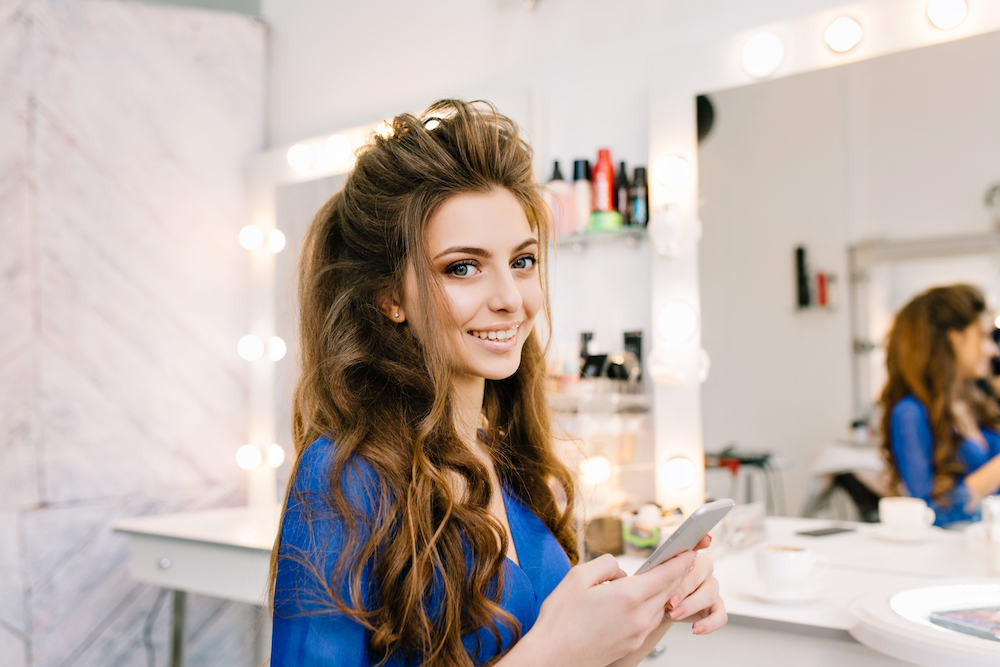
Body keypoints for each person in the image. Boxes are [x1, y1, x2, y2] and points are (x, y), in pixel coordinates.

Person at [268, 100, 726, 666]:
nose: (511, 298)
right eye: (463, 266)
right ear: (390, 297)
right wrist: (556, 652)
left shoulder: (510, 463)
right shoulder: (344, 476)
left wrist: (643, 621)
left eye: (524, 260)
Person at [880, 284, 1000, 527]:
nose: (993, 350)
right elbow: (932, 515)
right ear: (954, 338)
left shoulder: (974, 403)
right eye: (984, 336)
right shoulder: (910, 413)